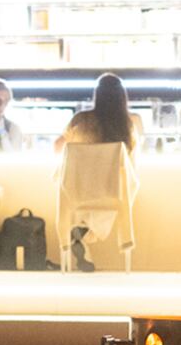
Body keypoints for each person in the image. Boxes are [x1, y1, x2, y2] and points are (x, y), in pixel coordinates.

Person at [55, 73, 139, 271]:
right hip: (111, 192)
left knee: (65, 184)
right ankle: (87, 234)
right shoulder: (127, 126)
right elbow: (131, 160)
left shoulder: (80, 119)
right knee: (129, 187)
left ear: (97, 95)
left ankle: (81, 231)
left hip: (77, 191)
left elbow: (58, 146)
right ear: (122, 98)